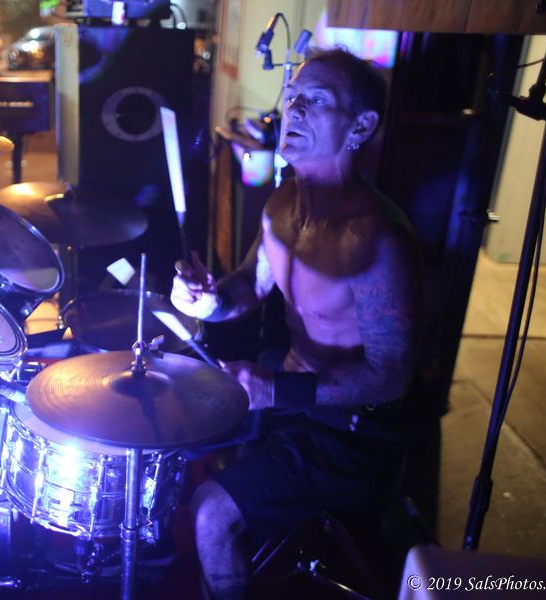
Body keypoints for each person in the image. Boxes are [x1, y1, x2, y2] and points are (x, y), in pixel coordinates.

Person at [170, 48, 423, 599]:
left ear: (361, 127)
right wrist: (206, 301)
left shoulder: (375, 237)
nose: (294, 111)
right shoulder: (283, 204)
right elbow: (247, 287)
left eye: (316, 101)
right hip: (287, 396)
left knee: (211, 511)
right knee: (167, 426)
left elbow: (391, 376)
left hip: (352, 434)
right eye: (293, 98)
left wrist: (275, 389)